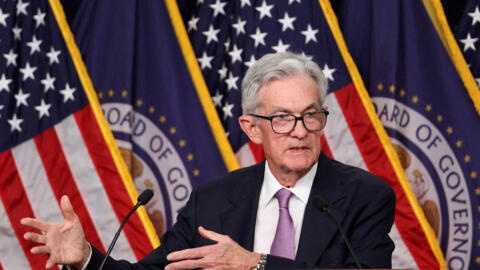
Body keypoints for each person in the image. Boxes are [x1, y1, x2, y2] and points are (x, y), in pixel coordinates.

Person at [21, 52, 396, 269]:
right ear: (251, 128)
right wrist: (85, 258)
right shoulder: (212, 201)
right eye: (282, 118)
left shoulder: (365, 196)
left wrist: (255, 264)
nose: (299, 130)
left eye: (310, 115)